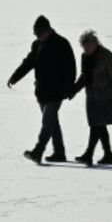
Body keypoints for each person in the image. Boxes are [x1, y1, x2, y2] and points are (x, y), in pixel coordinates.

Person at [7, 14, 76, 164]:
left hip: (57, 92)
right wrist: (15, 76)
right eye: (35, 34)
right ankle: (59, 153)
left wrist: (70, 89)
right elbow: (29, 62)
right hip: (42, 91)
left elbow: (71, 68)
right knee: (52, 122)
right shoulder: (36, 45)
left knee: (47, 121)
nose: (37, 37)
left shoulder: (61, 44)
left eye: (39, 33)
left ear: (48, 30)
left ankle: (38, 151)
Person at [67, 29, 112, 166]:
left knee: (97, 126)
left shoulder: (107, 56)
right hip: (92, 97)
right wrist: (74, 91)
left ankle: (89, 154)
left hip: (106, 98)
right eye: (84, 47)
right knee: (99, 126)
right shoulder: (85, 57)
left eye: (88, 46)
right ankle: (108, 155)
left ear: (95, 43)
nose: (86, 49)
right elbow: (84, 76)